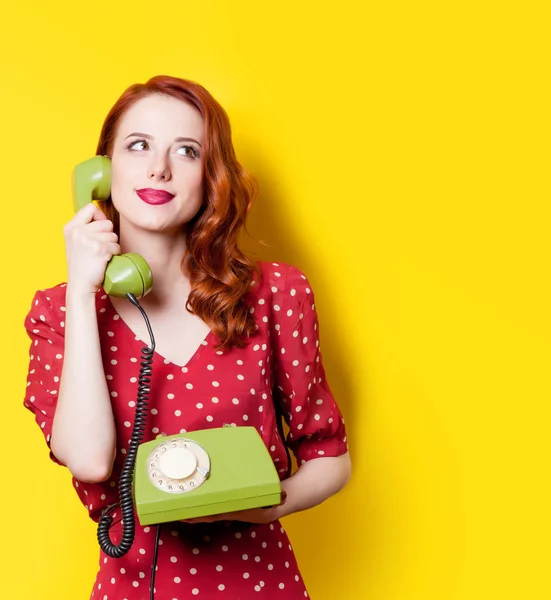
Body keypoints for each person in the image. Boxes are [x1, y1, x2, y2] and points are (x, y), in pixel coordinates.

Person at [22, 75, 352, 600]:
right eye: (138, 146)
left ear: (210, 176)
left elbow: (330, 456)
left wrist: (271, 504)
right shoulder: (60, 312)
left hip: (258, 583)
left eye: (187, 150)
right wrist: (84, 293)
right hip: (133, 587)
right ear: (102, 173)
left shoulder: (275, 294)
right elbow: (89, 461)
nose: (159, 167)